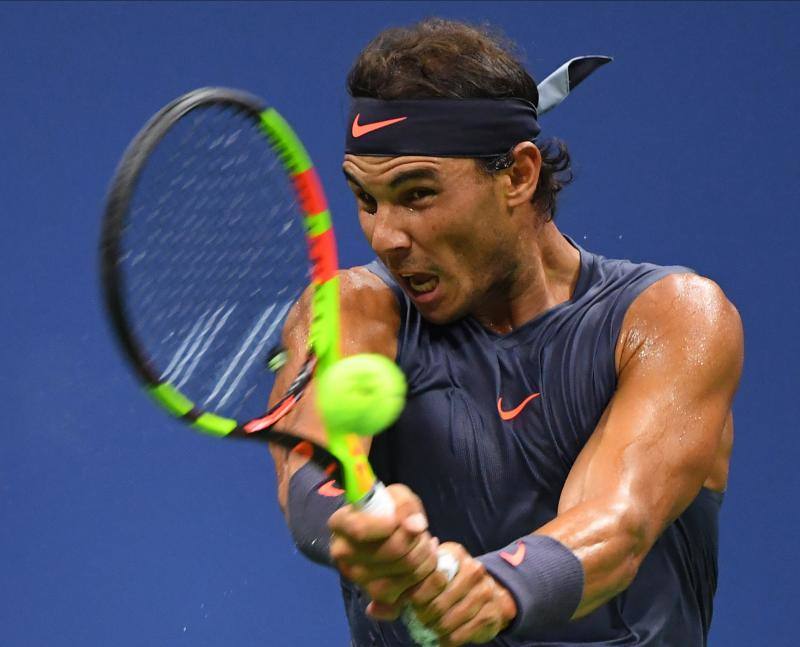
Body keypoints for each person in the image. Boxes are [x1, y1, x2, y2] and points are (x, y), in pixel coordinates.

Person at [267, 18, 742, 647]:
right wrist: (357, 525)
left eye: (417, 193)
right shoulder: (351, 309)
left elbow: (617, 522)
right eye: (367, 198)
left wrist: (495, 589)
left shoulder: (671, 318)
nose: (386, 236)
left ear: (517, 175)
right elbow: (310, 474)